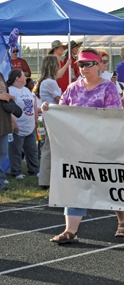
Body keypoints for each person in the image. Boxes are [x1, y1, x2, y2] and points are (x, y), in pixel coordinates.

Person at [42, 48, 124, 243]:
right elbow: (62, 111)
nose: (84, 68)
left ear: (98, 65)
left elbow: (114, 117)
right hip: (77, 148)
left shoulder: (108, 88)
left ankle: (123, 219)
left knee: (108, 185)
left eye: (88, 64)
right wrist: (49, 109)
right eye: (80, 65)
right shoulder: (73, 88)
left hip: (101, 146)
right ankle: (70, 230)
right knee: (74, 183)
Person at [33, 56, 62, 190]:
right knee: (51, 148)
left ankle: (45, 178)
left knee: (48, 147)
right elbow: (60, 99)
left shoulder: (45, 81)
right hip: (53, 115)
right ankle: (46, 179)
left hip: (48, 115)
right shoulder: (50, 82)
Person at [6, 69, 39, 179]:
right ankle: (17, 172)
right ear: (17, 78)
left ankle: (34, 170)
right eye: (23, 76)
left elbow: (33, 105)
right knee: (15, 151)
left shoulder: (26, 90)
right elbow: (8, 108)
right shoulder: (10, 91)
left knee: (32, 150)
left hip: (29, 127)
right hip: (17, 127)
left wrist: (35, 120)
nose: (26, 78)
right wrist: (13, 123)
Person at [0, 74, 15, 191]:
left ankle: (0, 183)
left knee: (3, 153)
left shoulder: (0, 75)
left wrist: (9, 97)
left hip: (4, 121)